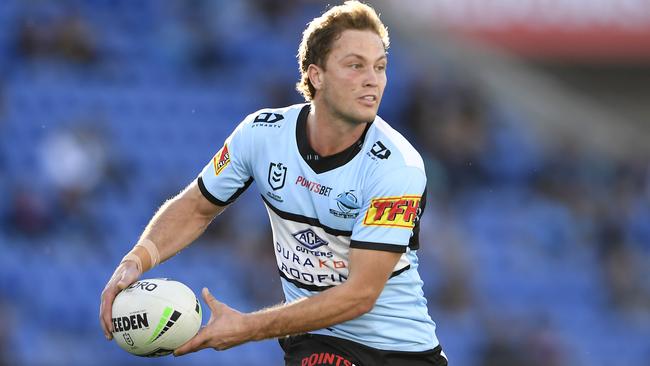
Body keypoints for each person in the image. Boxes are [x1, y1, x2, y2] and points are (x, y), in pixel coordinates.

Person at [99, 2, 447, 365]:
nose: (372, 79)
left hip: (400, 353)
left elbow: (359, 295)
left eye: (380, 67)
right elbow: (197, 207)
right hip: (316, 343)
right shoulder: (262, 134)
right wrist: (136, 260)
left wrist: (246, 327)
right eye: (355, 65)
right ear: (317, 75)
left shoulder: (395, 166)